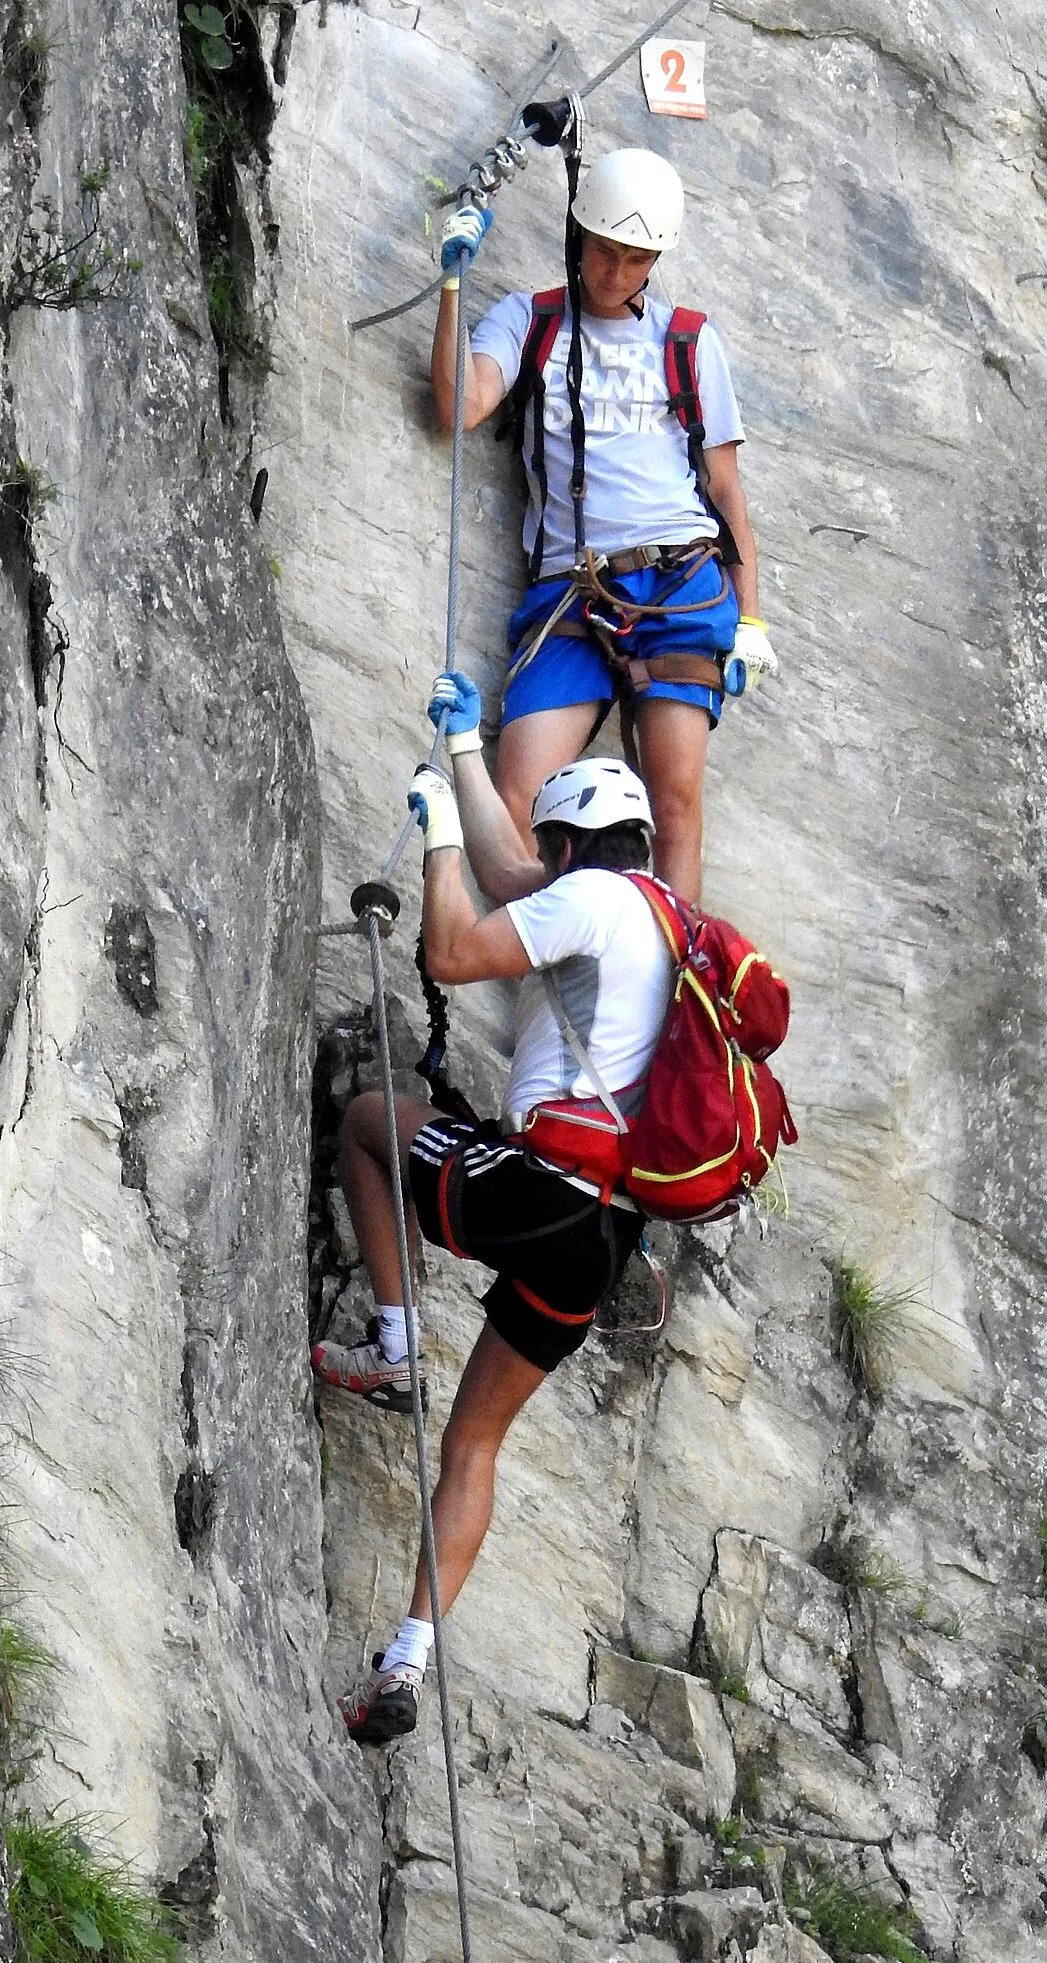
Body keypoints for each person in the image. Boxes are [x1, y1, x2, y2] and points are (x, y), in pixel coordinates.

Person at [313, 721, 674, 1746]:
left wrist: (432, 840)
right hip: (601, 1239)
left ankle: (390, 1348)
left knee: (370, 1126)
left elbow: (453, 949)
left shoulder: (587, 900)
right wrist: (465, 753)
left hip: (542, 1188)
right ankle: (407, 1658)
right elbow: (512, 873)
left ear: (567, 848)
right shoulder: (656, 916)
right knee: (470, 1442)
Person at [431, 146, 773, 904]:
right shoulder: (531, 321)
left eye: (635, 259)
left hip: (680, 580)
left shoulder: (687, 341)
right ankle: (551, 966)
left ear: (656, 259)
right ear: (578, 235)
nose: (615, 273)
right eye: (604, 252)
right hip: (573, 592)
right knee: (518, 795)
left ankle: (672, 985)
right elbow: (458, 407)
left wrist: (750, 616)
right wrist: (452, 284)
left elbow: (723, 487)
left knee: (675, 804)